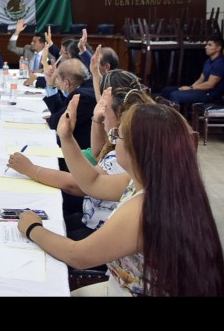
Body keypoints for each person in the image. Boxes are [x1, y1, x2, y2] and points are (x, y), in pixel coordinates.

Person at [18, 96, 224, 297]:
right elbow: (92, 182)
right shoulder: (157, 184)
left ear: (137, 149)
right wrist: (67, 137)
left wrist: (32, 228)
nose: (113, 139)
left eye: (118, 135)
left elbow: (78, 256)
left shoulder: (143, 209)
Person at [8, 71, 149, 242]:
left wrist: (32, 169)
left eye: (105, 115)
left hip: (96, 227)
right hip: (91, 216)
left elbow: (81, 185)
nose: (102, 116)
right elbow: (98, 157)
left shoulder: (126, 159)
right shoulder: (130, 150)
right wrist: (96, 120)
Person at [43, 58, 97, 150]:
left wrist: (52, 118)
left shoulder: (81, 97)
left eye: (57, 79)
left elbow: (56, 123)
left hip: (83, 152)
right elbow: (60, 111)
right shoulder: (89, 86)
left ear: (66, 83)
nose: (57, 83)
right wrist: (50, 85)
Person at [160, 35, 224, 106]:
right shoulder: (208, 61)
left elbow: (210, 85)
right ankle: (164, 112)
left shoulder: (220, 63)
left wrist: (191, 88)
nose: (206, 47)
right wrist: (190, 88)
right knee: (166, 91)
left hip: (210, 95)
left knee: (175, 95)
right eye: (207, 45)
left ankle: (176, 113)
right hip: (201, 90)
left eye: (210, 45)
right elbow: (201, 79)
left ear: (218, 48)